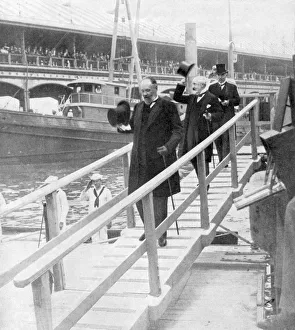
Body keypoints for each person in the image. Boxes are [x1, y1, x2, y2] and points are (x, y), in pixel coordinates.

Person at [127, 76, 183, 247]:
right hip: (140, 159)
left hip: (159, 157)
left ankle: (161, 232)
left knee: (160, 197)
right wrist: (122, 125)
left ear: (155, 88)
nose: (145, 94)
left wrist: (169, 146)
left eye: (148, 91)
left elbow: (178, 130)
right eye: (142, 91)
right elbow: (132, 127)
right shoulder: (137, 107)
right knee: (136, 195)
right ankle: (149, 228)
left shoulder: (167, 106)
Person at [173, 76, 223, 179]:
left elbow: (220, 113)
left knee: (203, 158)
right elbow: (177, 97)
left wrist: (211, 116)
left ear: (202, 85)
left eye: (195, 84)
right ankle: (202, 180)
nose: (193, 86)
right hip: (190, 132)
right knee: (192, 157)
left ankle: (205, 183)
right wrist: (181, 84)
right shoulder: (192, 97)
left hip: (203, 133)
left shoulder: (211, 98)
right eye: (193, 84)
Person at [208, 63, 240, 163]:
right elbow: (208, 101)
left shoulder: (232, 87)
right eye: (218, 75)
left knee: (226, 139)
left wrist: (229, 102)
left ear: (226, 75)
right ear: (216, 75)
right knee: (217, 139)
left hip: (227, 116)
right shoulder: (211, 87)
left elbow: (237, 100)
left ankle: (224, 162)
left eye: (222, 75)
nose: (220, 77)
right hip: (216, 117)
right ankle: (221, 159)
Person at [80, 172, 112, 243]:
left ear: (101, 181)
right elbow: (82, 199)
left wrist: (110, 219)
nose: (95, 183)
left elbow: (110, 205)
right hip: (93, 216)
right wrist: (86, 188)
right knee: (94, 235)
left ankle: (104, 250)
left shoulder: (106, 191)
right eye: (94, 181)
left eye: (97, 181)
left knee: (103, 235)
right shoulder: (90, 191)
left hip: (103, 215)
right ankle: (96, 250)